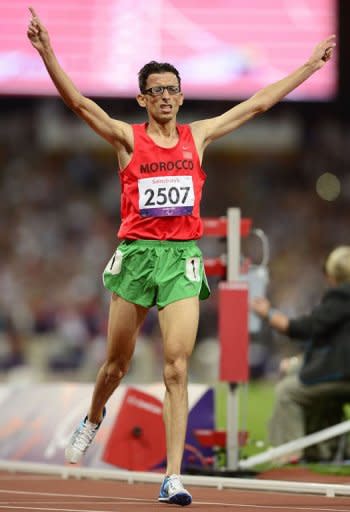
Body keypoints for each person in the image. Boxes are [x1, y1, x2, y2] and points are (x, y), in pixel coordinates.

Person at [27, 6, 335, 505]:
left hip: (181, 261)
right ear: (143, 98)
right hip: (136, 257)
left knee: (176, 366)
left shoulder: (200, 136)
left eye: (172, 90)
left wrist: (309, 67)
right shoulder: (128, 138)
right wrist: (46, 52)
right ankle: (93, 416)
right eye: (157, 91)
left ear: (182, 96)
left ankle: (172, 477)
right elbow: (81, 105)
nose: (165, 98)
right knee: (115, 366)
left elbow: (257, 104)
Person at [251, 246, 350, 462]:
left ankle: (289, 454)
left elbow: (305, 328)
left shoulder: (342, 296)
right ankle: (323, 450)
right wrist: (299, 362)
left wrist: (268, 313)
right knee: (297, 374)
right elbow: (336, 341)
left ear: (334, 275)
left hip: (342, 374)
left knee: (288, 392)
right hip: (340, 367)